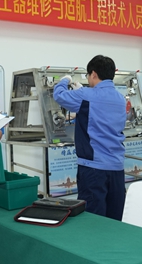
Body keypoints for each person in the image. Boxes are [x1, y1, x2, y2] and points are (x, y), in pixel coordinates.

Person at [53, 55, 126, 220]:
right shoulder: (120, 99)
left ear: (93, 74)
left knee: (93, 219)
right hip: (116, 167)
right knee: (115, 218)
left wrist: (65, 80)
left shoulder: (86, 95)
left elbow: (59, 95)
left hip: (93, 168)